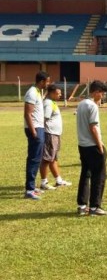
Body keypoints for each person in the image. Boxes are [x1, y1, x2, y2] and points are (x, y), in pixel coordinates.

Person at [76, 80, 107, 216]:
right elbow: (93, 127)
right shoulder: (92, 106)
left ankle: (82, 205)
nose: (102, 96)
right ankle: (95, 207)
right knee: (99, 176)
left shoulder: (81, 104)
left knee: (85, 174)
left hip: (82, 145)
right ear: (96, 92)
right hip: (92, 145)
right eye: (102, 93)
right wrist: (100, 145)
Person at [23, 71, 50, 200]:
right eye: (47, 81)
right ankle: (29, 189)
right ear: (42, 81)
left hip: (39, 127)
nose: (48, 84)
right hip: (35, 128)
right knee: (34, 159)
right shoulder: (32, 92)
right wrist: (33, 131)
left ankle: (32, 187)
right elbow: (27, 113)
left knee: (37, 158)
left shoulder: (38, 92)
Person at [39, 84, 71, 191]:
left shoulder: (52, 102)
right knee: (47, 159)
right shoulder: (48, 103)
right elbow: (44, 119)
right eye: (58, 93)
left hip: (54, 134)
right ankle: (44, 182)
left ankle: (59, 181)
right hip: (50, 134)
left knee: (53, 158)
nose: (60, 95)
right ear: (51, 93)